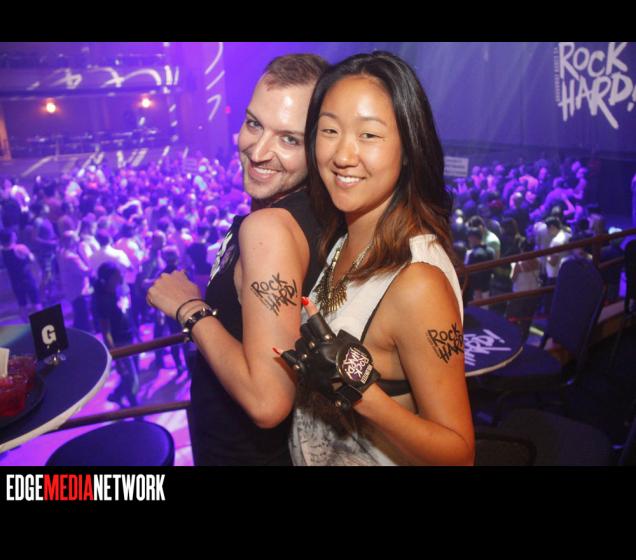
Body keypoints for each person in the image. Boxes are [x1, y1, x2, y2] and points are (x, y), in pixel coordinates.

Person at [282, 51, 474, 466]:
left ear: (408, 149)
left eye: (369, 135)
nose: (343, 154)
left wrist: (357, 390)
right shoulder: (344, 237)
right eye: (329, 130)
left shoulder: (418, 282)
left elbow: (459, 454)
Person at [147, 54, 329, 466]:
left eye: (289, 139)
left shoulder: (268, 229)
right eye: (254, 123)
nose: (258, 151)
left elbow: (268, 401)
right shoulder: (299, 212)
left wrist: (189, 308)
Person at [92, 262, 139, 407]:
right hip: (120, 343)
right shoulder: (103, 301)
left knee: (131, 375)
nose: (121, 277)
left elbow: (127, 314)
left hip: (130, 337)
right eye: (117, 275)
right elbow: (106, 332)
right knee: (132, 379)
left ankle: (117, 395)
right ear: (107, 279)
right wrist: (116, 357)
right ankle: (137, 411)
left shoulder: (120, 290)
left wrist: (136, 334)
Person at [0, 228, 40, 319]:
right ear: (11, 238)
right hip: (27, 279)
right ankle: (42, 323)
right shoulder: (20, 248)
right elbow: (32, 259)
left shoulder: (2, 251)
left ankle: (25, 323)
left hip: (15, 281)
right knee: (36, 302)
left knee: (22, 304)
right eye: (14, 235)